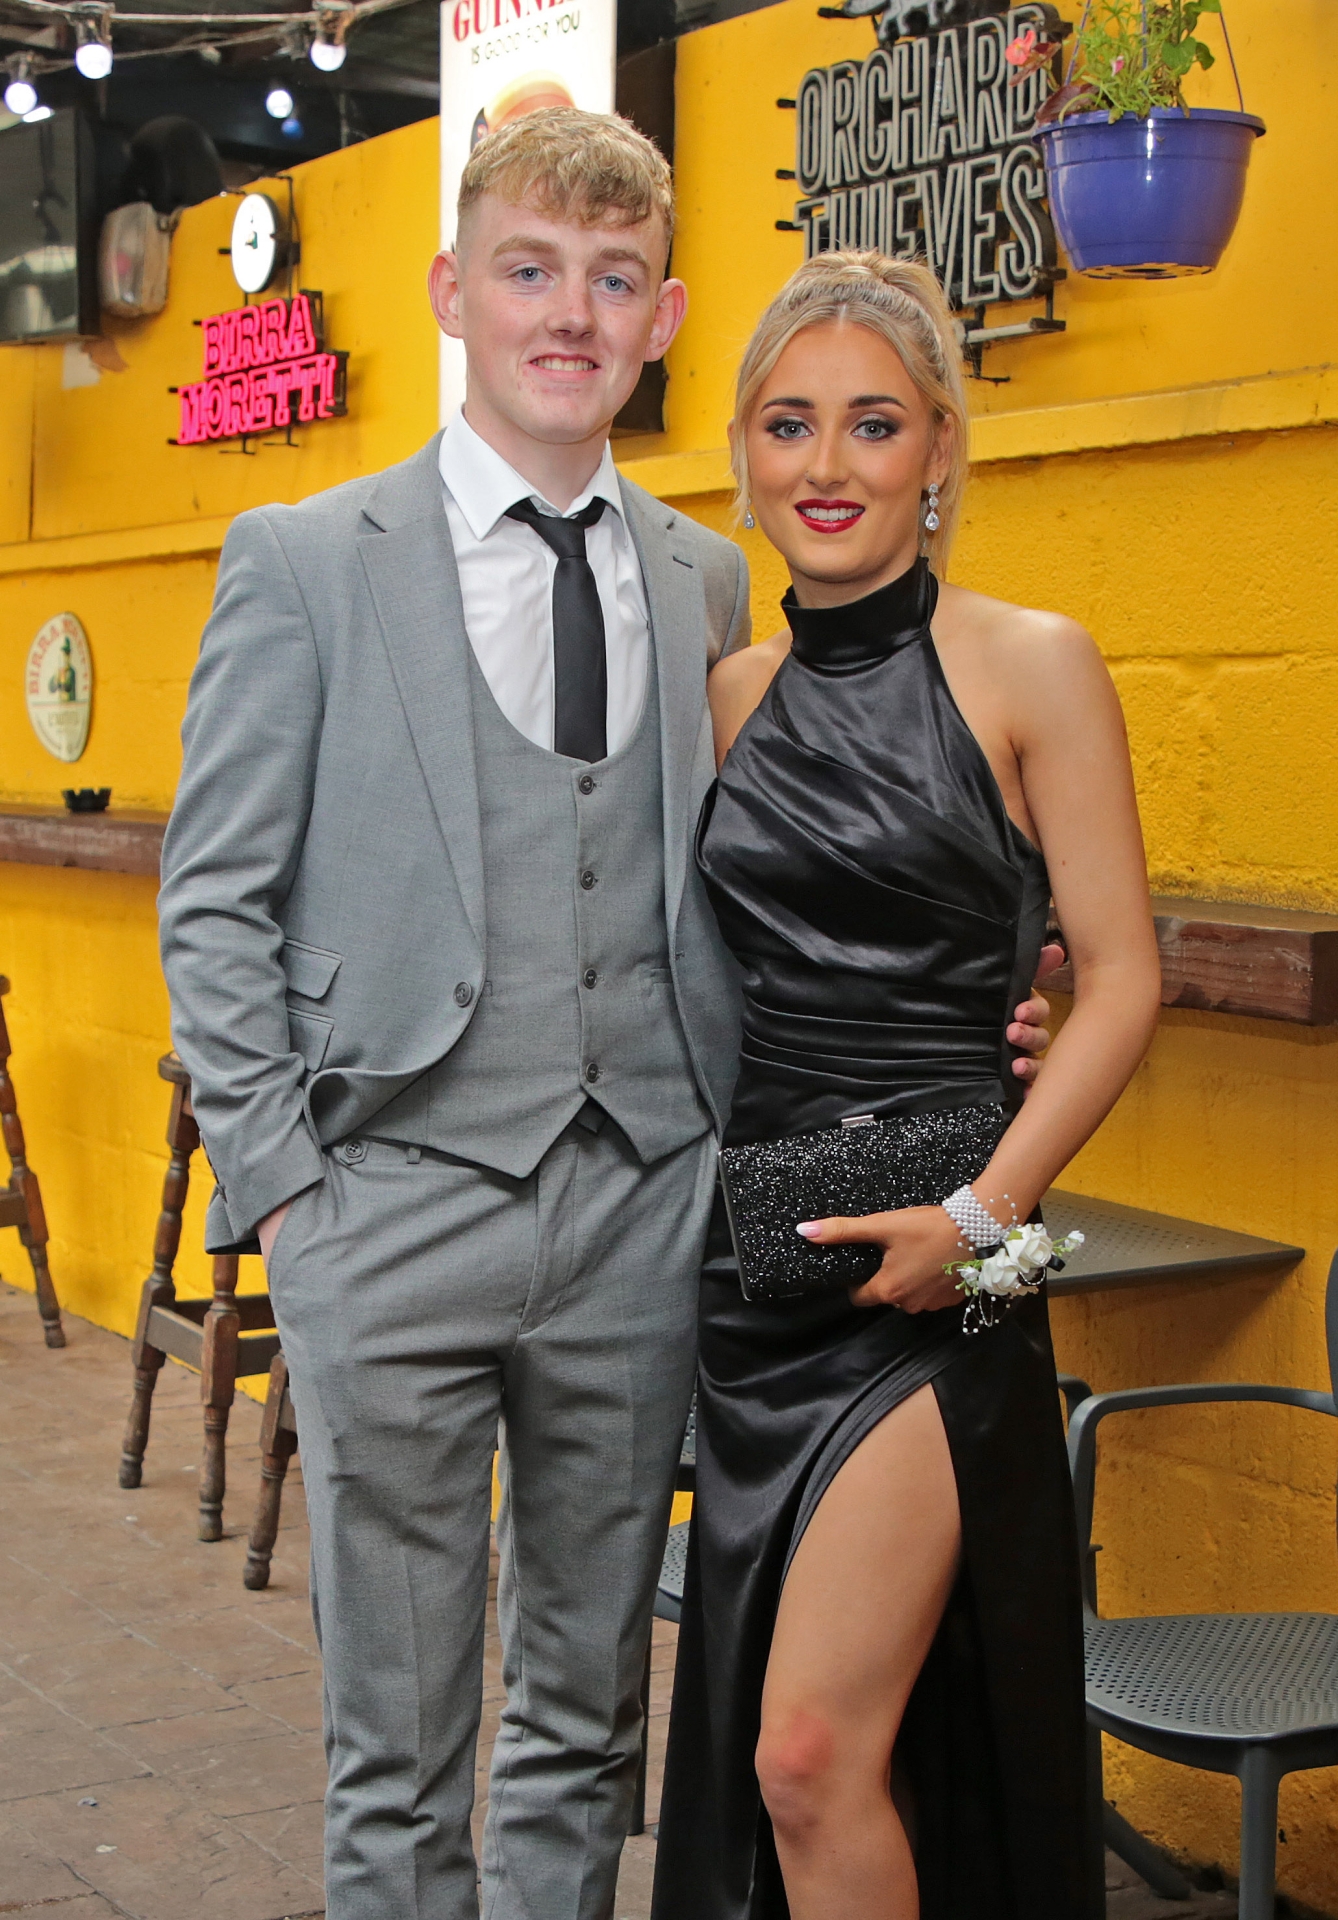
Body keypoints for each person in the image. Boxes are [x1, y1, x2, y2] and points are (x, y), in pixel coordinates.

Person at [159, 116, 1054, 1919]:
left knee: (586, 1727)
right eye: (530, 270)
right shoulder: (306, 558)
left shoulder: (702, 579)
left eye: (613, 278)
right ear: (453, 293)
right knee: (398, 1753)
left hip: (649, 1217)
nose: (570, 314)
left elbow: (803, 870)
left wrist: (1000, 1002)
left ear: (660, 318)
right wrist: (294, 1209)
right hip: (388, 1213)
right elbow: (213, 904)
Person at [651, 252, 1162, 1920]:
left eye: (872, 424)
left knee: (807, 1753)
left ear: (938, 447)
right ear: (743, 450)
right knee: (795, 1760)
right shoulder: (727, 696)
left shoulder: (1034, 662)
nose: (826, 464)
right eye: (787, 423)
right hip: (761, 1275)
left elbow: (1122, 982)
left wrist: (985, 1220)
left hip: (958, 1261)